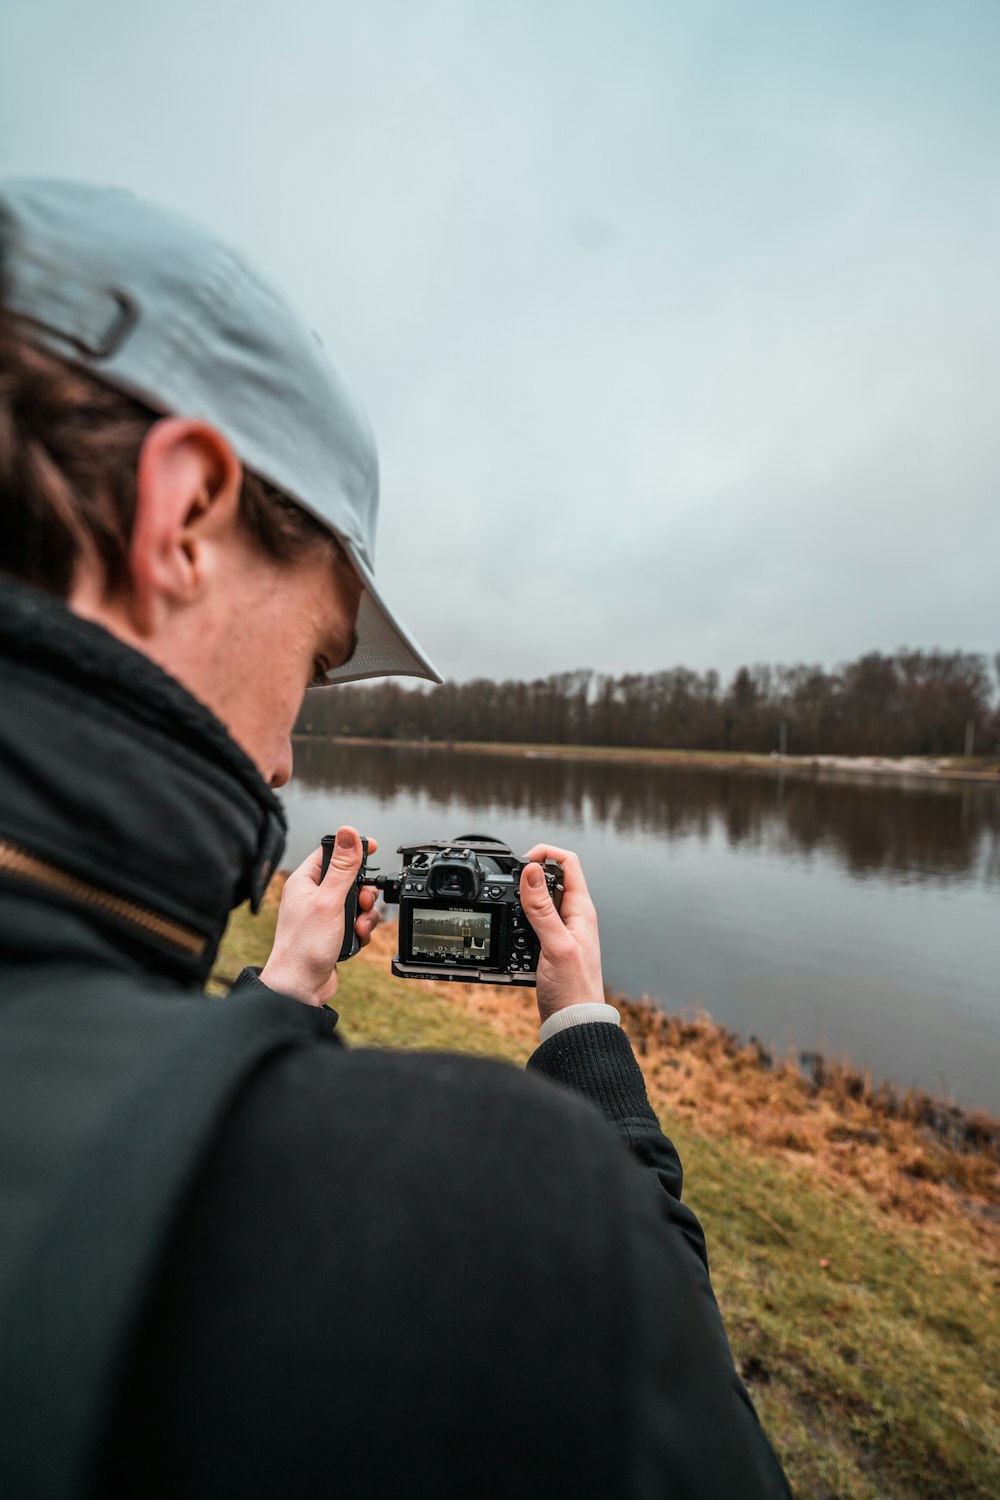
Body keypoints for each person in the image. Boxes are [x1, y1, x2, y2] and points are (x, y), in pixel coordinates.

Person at [0, 178, 791, 1499]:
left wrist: (273, 997)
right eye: (312, 663)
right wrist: (584, 1036)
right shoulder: (495, 1224)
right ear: (183, 515)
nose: (282, 759)